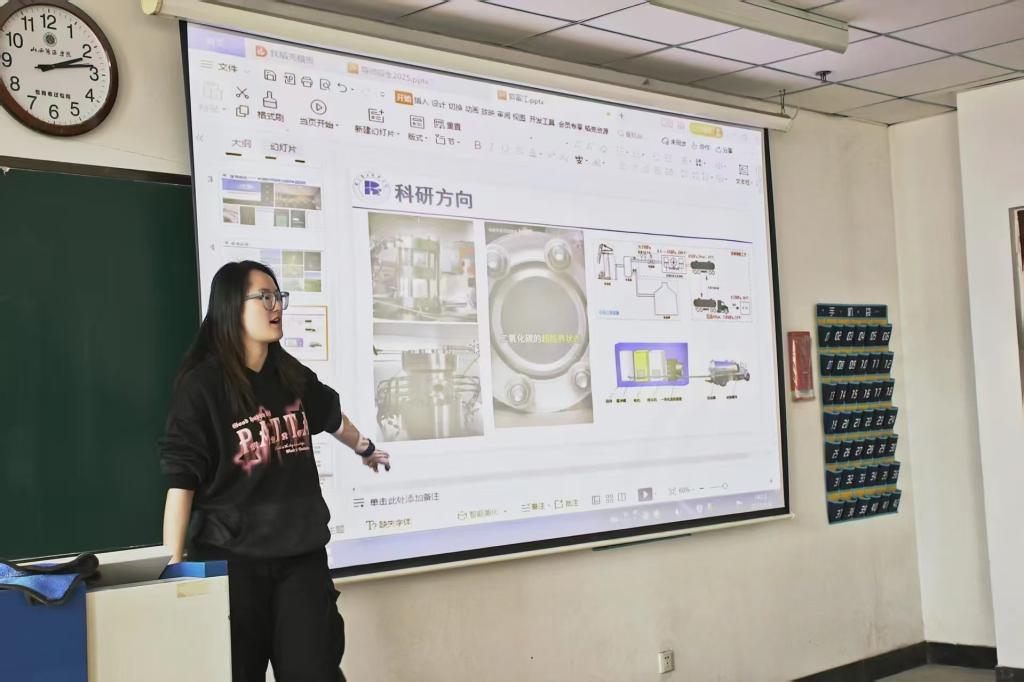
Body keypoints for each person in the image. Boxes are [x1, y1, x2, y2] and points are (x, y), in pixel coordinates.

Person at [159, 260, 390, 682]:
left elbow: (332, 418)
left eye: (278, 296)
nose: (275, 306)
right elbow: (181, 483)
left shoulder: (291, 375)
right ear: (231, 306)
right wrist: (174, 571)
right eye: (263, 297)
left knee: (314, 671)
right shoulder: (202, 387)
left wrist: (367, 448)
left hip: (301, 560)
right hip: (232, 565)